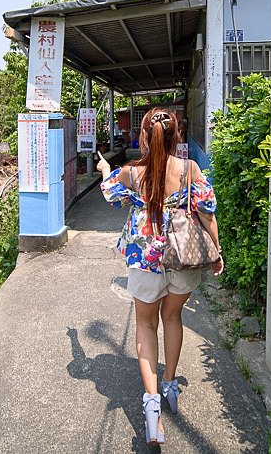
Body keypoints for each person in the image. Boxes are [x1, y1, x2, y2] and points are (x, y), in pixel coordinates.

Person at [96, 108, 223, 445]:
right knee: (173, 317)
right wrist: (217, 251)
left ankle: (151, 407)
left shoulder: (130, 174)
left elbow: (109, 193)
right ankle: (169, 383)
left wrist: (106, 169)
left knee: (145, 325)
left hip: (144, 257)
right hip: (182, 257)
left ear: (143, 136)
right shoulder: (190, 169)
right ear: (175, 136)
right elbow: (207, 214)